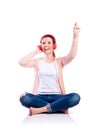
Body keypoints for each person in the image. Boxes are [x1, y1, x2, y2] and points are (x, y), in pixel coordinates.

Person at [19, 23, 81, 116]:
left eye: (49, 42)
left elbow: (72, 55)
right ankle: (59, 108)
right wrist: (36, 52)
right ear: (41, 46)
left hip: (58, 97)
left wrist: (75, 36)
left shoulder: (60, 62)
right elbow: (21, 62)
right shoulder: (37, 62)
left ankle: (40, 110)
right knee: (24, 98)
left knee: (75, 97)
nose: (46, 44)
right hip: (39, 97)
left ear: (54, 46)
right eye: (43, 43)